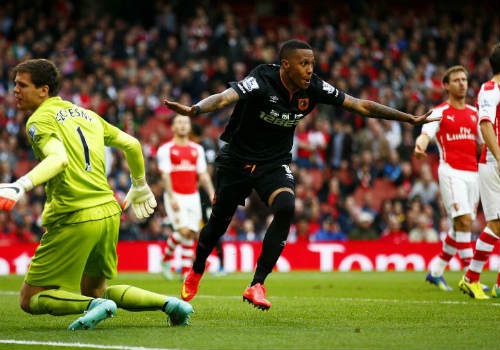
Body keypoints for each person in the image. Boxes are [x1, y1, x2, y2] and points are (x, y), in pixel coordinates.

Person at [163, 39, 437, 310]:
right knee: (217, 224)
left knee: (286, 206)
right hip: (237, 160)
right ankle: (197, 269)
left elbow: (360, 105)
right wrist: (195, 109)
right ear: (285, 65)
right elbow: (225, 97)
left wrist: (409, 119)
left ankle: (257, 284)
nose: (309, 69)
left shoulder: (314, 87)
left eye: (312, 64)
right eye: (303, 63)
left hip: (274, 162)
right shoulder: (261, 79)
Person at [0, 59, 193, 330]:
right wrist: (139, 184)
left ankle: (95, 307)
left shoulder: (39, 119)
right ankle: (171, 304)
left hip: (75, 216)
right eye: (14, 85)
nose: (15, 91)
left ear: (44, 90)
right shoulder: (86, 114)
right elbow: (131, 143)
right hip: (108, 213)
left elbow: (59, 159)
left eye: (22, 85)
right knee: (96, 289)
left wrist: (20, 185)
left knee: (29, 298)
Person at [414, 65, 482, 292]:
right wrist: (420, 146)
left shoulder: (475, 113)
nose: (462, 83)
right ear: (446, 85)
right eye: (456, 80)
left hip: (474, 174)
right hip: (451, 172)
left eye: (464, 79)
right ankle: (471, 278)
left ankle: (436, 271)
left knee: (460, 226)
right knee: (463, 221)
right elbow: (426, 134)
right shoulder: (439, 111)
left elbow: (483, 144)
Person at [458, 43, 500, 299]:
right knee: (496, 224)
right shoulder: (489, 90)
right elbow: (485, 126)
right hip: (493, 162)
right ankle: (471, 278)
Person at [157, 114, 215, 280]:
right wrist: (171, 196)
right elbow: (166, 175)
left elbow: (203, 174)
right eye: (179, 122)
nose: (182, 125)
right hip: (175, 195)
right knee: (183, 230)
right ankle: (168, 260)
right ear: (173, 127)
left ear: (189, 127)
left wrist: (211, 192)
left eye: (185, 122)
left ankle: (183, 270)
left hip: (193, 196)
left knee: (190, 232)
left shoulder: (197, 150)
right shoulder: (166, 149)